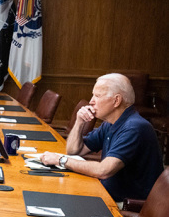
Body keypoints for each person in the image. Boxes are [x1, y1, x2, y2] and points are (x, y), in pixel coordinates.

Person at [41, 73, 163, 204]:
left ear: (116, 101)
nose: (91, 101)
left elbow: (104, 171)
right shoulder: (110, 123)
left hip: (125, 205)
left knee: (53, 200)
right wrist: (79, 122)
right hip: (105, 193)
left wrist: (60, 160)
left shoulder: (134, 127)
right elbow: (74, 151)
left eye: (97, 96)